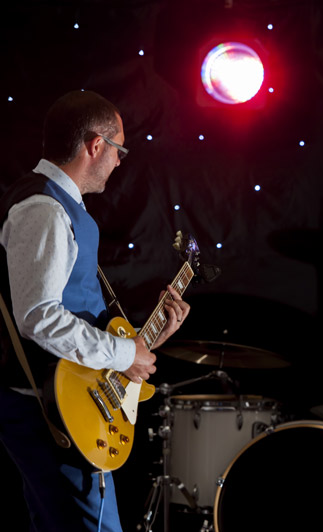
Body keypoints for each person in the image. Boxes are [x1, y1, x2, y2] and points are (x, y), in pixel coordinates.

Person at [0, 90, 190, 531]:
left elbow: (72, 313)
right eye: (119, 149)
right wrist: (127, 357)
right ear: (95, 145)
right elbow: (39, 318)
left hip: (67, 403)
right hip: (48, 409)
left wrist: (145, 341)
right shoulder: (44, 209)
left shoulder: (62, 209)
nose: (121, 161)